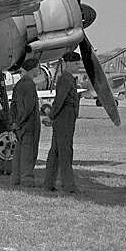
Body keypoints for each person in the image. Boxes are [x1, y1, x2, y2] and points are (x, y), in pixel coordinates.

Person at [44, 52, 81, 193]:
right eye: (76, 64)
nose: (78, 66)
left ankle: (49, 184)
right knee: (65, 152)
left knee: (55, 152)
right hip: (64, 120)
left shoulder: (67, 78)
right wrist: (52, 116)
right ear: (68, 63)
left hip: (63, 119)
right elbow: (60, 101)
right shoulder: (66, 78)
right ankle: (68, 186)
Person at [9, 59, 41, 186]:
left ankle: (15, 179)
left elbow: (14, 106)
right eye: (38, 67)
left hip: (19, 124)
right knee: (29, 153)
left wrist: (14, 123)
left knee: (18, 153)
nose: (39, 70)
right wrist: (20, 122)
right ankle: (27, 179)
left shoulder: (19, 84)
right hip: (28, 125)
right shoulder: (30, 84)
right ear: (32, 68)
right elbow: (28, 107)